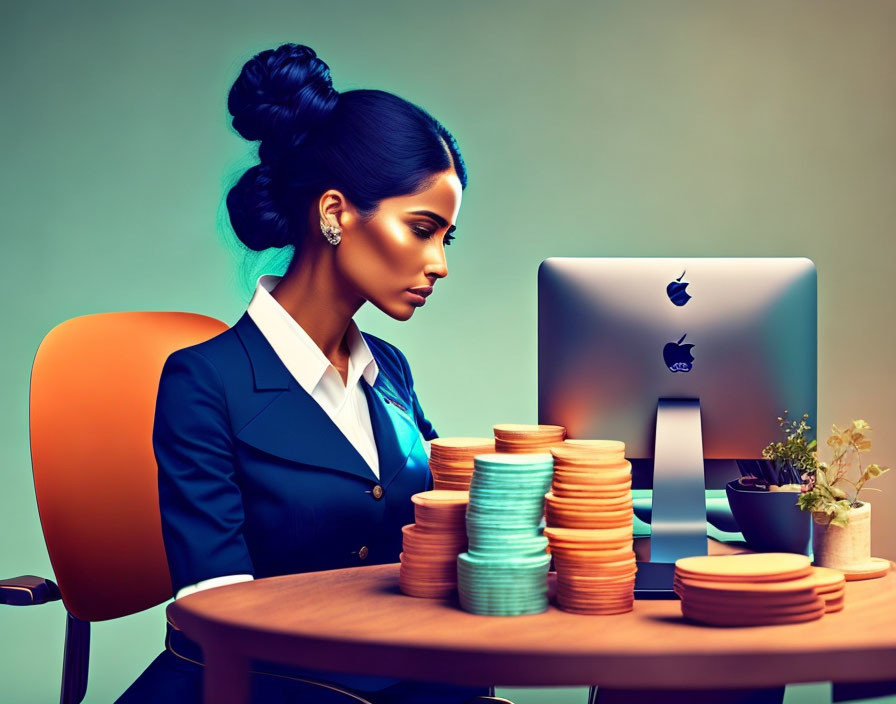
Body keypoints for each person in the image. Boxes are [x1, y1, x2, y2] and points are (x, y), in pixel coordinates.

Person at [115, 42, 492, 704]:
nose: (439, 263)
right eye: (423, 228)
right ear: (334, 213)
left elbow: (438, 523)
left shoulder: (390, 370)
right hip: (257, 687)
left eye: (446, 238)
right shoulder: (204, 382)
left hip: (400, 678)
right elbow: (220, 608)